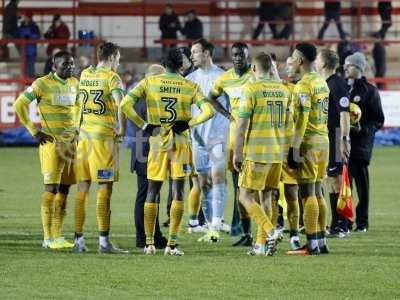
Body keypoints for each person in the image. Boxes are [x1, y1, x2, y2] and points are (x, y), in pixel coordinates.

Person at [120, 48, 215, 256]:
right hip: (180, 143)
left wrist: (144, 125)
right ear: (181, 65)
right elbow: (209, 111)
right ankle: (171, 245)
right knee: (178, 192)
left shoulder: (149, 82)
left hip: (156, 142)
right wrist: (190, 122)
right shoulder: (190, 85)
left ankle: (149, 244)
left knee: (152, 190)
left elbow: (125, 104)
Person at [14, 51, 80, 249]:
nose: (70, 68)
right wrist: (34, 131)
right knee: (50, 189)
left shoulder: (75, 83)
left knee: (65, 189)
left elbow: (77, 106)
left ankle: (58, 235)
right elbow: (20, 104)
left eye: (72, 64)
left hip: (71, 145)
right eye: (66, 65)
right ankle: (47, 237)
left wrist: (76, 127)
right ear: (54, 65)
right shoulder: (41, 84)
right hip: (51, 144)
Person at [233, 52, 290, 256]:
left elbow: (241, 126)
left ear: (254, 69)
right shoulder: (283, 90)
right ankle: (260, 245)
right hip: (276, 152)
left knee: (245, 196)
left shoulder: (251, 88)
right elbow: (287, 123)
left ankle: (270, 231)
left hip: (257, 152)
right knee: (267, 197)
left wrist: (237, 153)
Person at [74, 42, 127, 254]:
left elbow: (78, 103)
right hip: (103, 139)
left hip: (83, 138)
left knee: (83, 188)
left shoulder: (85, 74)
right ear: (113, 56)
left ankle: (78, 240)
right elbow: (121, 104)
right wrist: (121, 128)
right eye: (119, 58)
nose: (119, 62)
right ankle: (104, 242)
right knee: (105, 188)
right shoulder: (112, 77)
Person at [208, 42, 255, 245]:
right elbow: (210, 98)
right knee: (239, 188)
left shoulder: (255, 76)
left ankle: (270, 229)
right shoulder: (225, 78)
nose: (237, 58)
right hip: (236, 140)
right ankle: (247, 234)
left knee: (261, 189)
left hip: (257, 138)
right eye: (235, 55)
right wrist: (227, 114)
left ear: (248, 56)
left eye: (241, 55)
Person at [287, 43, 330, 255]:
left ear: (301, 60)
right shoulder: (322, 81)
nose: (292, 62)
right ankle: (321, 241)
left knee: (307, 193)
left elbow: (302, 118)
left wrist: (294, 148)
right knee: (319, 191)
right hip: (324, 140)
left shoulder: (303, 86)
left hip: (309, 143)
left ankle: (311, 243)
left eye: (294, 58)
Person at [186, 38, 230, 241]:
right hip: (197, 138)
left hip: (218, 137)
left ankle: (215, 224)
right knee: (203, 182)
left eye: (195, 52)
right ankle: (211, 224)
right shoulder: (191, 78)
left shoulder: (222, 77)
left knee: (218, 178)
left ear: (206, 53)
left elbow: (233, 106)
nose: (191, 55)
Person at [344, 52, 385, 232]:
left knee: (362, 186)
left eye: (350, 65)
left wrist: (363, 129)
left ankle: (362, 222)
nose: (346, 68)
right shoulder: (342, 88)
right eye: (345, 64)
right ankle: (344, 221)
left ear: (359, 68)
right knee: (343, 186)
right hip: (343, 144)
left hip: (360, 145)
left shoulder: (370, 91)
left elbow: (378, 120)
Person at [129, 64, 168, 249]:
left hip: (140, 149)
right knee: (147, 194)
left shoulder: (138, 97)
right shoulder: (148, 100)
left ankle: (153, 234)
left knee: (150, 194)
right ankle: (143, 236)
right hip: (146, 151)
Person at [315, 49, 351, 238]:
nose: (315, 62)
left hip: (336, 136)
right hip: (327, 137)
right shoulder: (325, 83)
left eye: (318, 59)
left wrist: (345, 139)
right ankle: (336, 223)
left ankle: (342, 225)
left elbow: (344, 113)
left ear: (324, 63)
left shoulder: (337, 84)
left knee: (336, 180)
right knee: (330, 180)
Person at [18, 12, 40, 78]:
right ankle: (25, 79)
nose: (25, 18)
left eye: (26, 17)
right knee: (24, 65)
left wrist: (30, 36)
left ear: (29, 18)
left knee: (30, 65)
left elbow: (37, 36)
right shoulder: (21, 25)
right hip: (23, 49)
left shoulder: (34, 26)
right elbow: (18, 35)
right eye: (25, 17)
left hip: (31, 49)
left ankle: (30, 80)